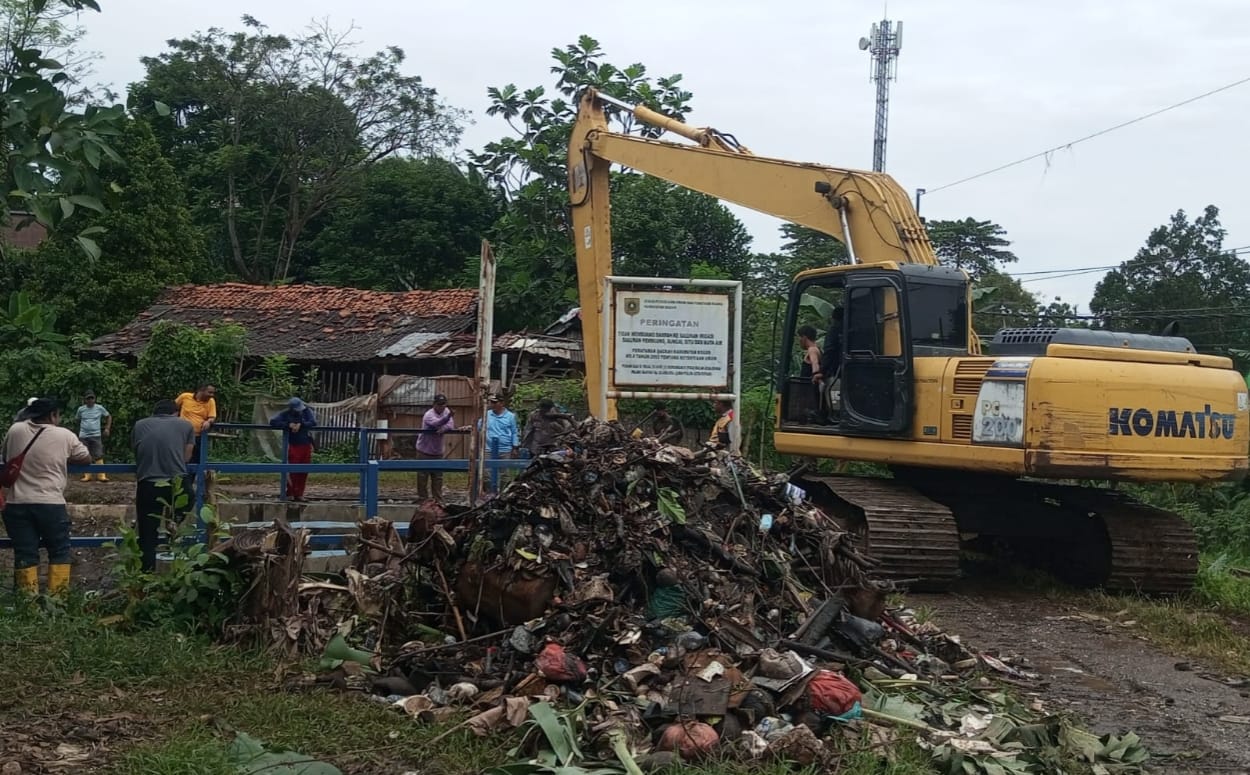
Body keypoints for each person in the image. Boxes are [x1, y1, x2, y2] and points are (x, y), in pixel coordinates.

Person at [1, 397, 92, 595]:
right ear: (53, 415)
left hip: (17, 503)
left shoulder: (15, 430)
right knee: (59, 551)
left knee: (25, 553)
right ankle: (57, 601)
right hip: (50, 503)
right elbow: (86, 457)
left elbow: (6, 457)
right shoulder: (64, 435)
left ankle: (28, 604)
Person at [131, 399, 195, 573]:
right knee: (189, 499)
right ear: (175, 413)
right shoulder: (186, 425)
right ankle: (174, 522)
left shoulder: (139, 425)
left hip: (148, 483)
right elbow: (186, 458)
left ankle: (147, 576)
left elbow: (137, 451)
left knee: (147, 536)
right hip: (177, 482)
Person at [270, 397, 317, 502]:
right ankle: (290, 493)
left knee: (304, 470)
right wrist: (288, 425)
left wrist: (302, 424)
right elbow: (273, 421)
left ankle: (299, 494)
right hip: (292, 445)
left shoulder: (306, 412)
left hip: (305, 444)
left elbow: (313, 422)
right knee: (292, 471)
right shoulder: (285, 414)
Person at [415, 393, 456, 501]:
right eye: (439, 404)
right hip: (424, 450)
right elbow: (436, 423)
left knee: (438, 477)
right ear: (434, 404)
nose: (441, 407)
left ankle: (438, 500)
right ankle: (423, 499)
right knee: (422, 476)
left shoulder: (446, 411)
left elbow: (451, 425)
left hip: (437, 451)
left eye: (443, 404)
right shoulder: (429, 415)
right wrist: (447, 418)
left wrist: (444, 428)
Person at [478, 394, 519, 496]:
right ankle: (489, 493)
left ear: (501, 403)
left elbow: (515, 432)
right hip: (489, 448)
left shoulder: (510, 416)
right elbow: (478, 426)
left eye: (495, 402)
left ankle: (503, 494)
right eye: (492, 402)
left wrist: (515, 447)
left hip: (505, 449)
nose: (493, 404)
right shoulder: (487, 414)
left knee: (505, 473)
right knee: (486, 473)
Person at [74, 391, 112, 482]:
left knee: (98, 454)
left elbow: (108, 416)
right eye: (88, 398)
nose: (90, 400)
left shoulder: (99, 408)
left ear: (94, 399)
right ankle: (87, 475)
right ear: (85, 400)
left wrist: (107, 428)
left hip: (96, 435)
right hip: (84, 435)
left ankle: (101, 475)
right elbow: (77, 420)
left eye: (92, 398)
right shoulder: (81, 409)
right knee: (85, 455)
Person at [175, 384, 217, 462]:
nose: (212, 395)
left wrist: (208, 422)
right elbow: (173, 408)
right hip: (183, 434)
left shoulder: (211, 401)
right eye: (210, 392)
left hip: (198, 435)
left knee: (197, 459)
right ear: (201, 390)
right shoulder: (185, 397)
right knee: (181, 457)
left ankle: (195, 474)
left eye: (213, 393)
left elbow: (212, 417)